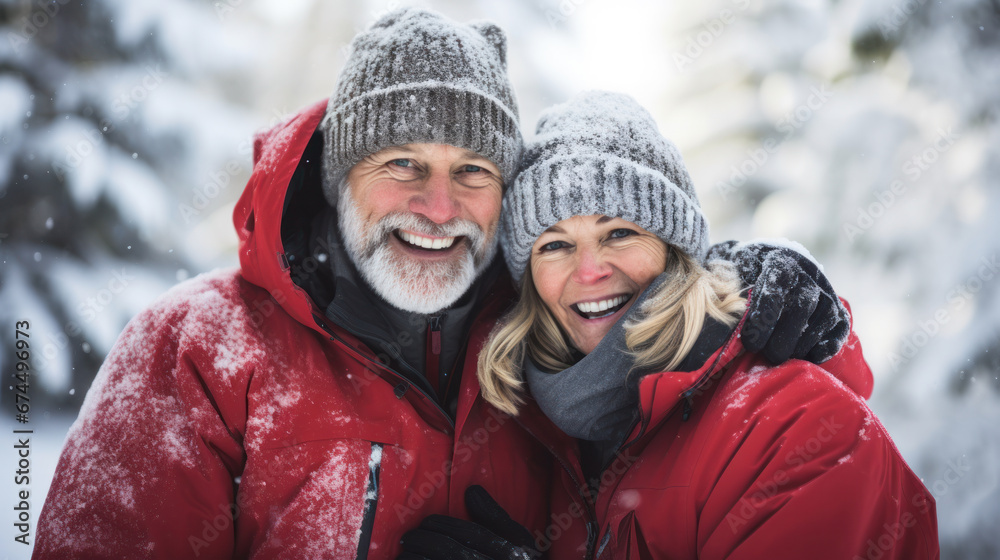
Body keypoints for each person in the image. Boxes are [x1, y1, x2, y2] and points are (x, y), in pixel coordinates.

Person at [35, 11, 853, 560]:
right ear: (337, 178)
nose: (437, 207)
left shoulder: (546, 346)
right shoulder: (197, 352)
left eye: (472, 172)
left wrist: (743, 299)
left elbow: (706, 404)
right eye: (402, 166)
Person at [398, 91, 939, 559]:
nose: (589, 271)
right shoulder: (548, 437)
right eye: (556, 245)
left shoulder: (789, 424)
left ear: (677, 252)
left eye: (619, 234)